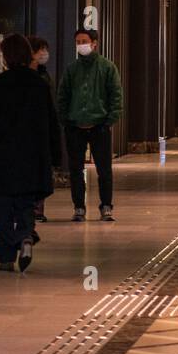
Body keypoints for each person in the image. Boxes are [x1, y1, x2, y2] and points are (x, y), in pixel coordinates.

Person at [0, 33, 61, 272]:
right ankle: (25, 236)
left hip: (2, 155)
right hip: (33, 154)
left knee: (3, 205)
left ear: (5, 56)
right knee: (26, 202)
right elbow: (51, 122)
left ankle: (5, 258)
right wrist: (55, 155)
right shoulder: (39, 85)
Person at [57, 28, 123, 223]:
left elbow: (116, 96)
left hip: (99, 126)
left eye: (84, 41)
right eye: (77, 42)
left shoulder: (107, 67)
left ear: (94, 43)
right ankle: (79, 207)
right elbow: (63, 96)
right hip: (75, 127)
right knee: (76, 170)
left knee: (104, 170)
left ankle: (106, 206)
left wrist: (109, 121)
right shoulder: (72, 69)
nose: (80, 45)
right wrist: (66, 121)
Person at [28, 37, 57, 226]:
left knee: (41, 169)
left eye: (45, 49)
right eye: (40, 50)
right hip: (27, 133)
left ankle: (38, 209)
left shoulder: (45, 76)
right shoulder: (23, 78)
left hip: (42, 130)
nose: (44, 54)